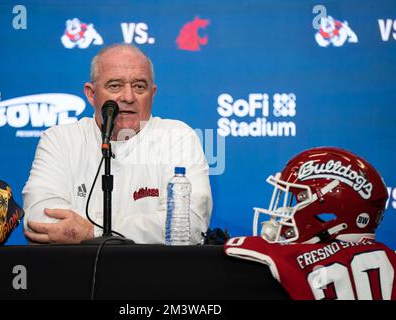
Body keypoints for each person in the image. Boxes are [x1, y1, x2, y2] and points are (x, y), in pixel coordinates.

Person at [22, 44, 212, 244]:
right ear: (91, 94)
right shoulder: (60, 139)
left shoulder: (177, 137)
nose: (128, 97)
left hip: (154, 272)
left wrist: (90, 231)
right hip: (75, 272)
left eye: (139, 86)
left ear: (152, 93)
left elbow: (189, 226)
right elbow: (39, 221)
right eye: (115, 86)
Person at [224, 147, 396, 300]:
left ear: (332, 206)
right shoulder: (390, 258)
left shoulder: (292, 258)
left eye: (298, 199)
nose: (286, 211)